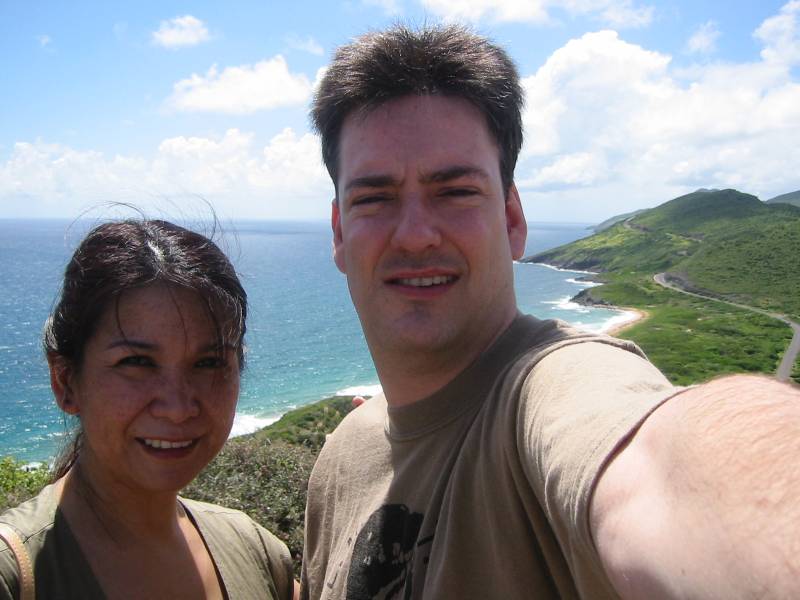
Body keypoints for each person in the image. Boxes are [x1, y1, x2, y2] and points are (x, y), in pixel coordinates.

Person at [301, 24, 800, 599]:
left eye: (455, 191)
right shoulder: (340, 461)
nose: (414, 234)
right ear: (340, 233)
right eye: (373, 198)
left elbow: (665, 468)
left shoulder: (550, 390)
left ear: (512, 220)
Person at [0, 220, 298, 599]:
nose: (178, 408)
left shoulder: (257, 554)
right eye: (137, 362)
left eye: (208, 363)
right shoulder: (14, 575)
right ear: (66, 381)